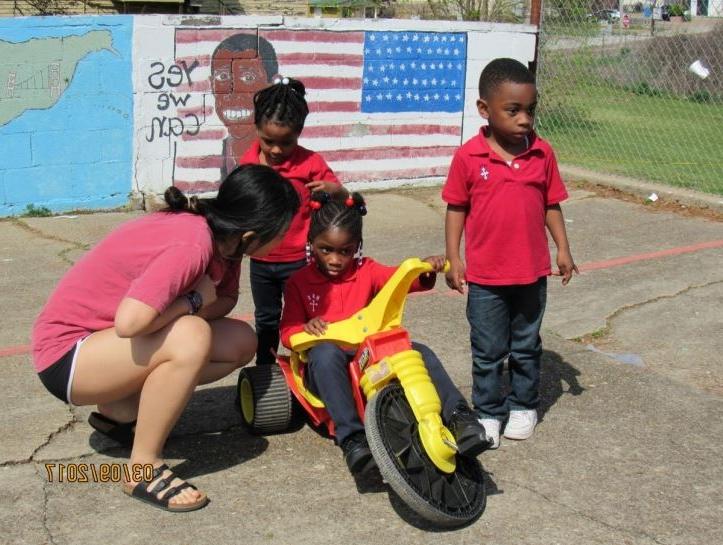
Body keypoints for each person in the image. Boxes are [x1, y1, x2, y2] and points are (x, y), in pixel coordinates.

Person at [31, 164, 300, 512]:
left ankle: (120, 411)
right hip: (67, 357)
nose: (288, 239)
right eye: (284, 231)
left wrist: (195, 303)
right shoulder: (193, 243)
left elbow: (225, 301)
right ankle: (144, 468)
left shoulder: (226, 245)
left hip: (106, 346)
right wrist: (192, 300)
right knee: (190, 336)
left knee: (239, 340)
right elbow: (131, 324)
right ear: (251, 235)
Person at [279, 191, 490, 474]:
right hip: (325, 365)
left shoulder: (368, 270)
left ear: (357, 246)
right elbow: (287, 330)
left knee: (417, 351)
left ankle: (460, 417)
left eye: (345, 251)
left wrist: (423, 269)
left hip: (368, 358)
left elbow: (399, 282)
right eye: (325, 249)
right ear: (311, 244)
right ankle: (352, 438)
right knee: (326, 354)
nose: (335, 259)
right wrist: (304, 328)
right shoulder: (299, 283)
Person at [443, 58, 578, 449]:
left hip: (531, 274)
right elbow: (456, 208)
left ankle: (523, 405)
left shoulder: (542, 153)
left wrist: (563, 249)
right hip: (486, 278)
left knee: (526, 345)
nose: (524, 120)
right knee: (487, 351)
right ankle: (487, 411)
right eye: (513, 110)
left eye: (530, 110)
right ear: (485, 110)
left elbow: (552, 204)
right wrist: (454, 257)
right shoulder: (469, 157)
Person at [239, 76, 345, 366]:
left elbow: (343, 200)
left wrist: (337, 191)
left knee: (308, 318)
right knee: (267, 318)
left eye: (286, 143)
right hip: (261, 263)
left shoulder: (310, 164)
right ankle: (266, 369)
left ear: (299, 134)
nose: (275, 150)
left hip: (300, 262)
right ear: (256, 130)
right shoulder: (247, 166)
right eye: (268, 141)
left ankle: (310, 370)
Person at [210, 33, 278, 179]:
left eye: (248, 78)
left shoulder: (279, 155)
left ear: (271, 86)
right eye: (222, 77)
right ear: (212, 84)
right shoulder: (220, 154)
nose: (234, 93)